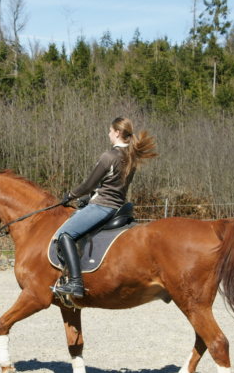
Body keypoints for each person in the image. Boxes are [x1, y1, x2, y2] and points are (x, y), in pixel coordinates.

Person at [53, 117, 158, 298]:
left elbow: (88, 184)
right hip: (116, 204)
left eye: (110, 131)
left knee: (65, 235)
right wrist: (88, 198)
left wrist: (70, 195)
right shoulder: (130, 156)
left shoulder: (109, 156)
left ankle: (75, 282)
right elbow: (110, 186)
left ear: (117, 132)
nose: (108, 134)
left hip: (102, 206)